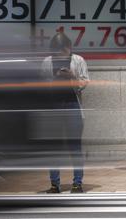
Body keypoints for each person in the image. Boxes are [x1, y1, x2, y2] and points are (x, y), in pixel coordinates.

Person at [41, 32, 89, 193]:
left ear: (69, 47)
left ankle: (77, 183)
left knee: (75, 146)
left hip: (72, 104)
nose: (60, 54)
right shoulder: (47, 61)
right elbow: (41, 84)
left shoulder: (78, 60)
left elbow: (84, 83)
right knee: (53, 147)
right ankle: (55, 184)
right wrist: (55, 78)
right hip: (53, 105)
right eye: (57, 50)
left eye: (63, 50)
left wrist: (71, 77)